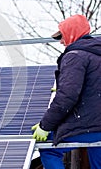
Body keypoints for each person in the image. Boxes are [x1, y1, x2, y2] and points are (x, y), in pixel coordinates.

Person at [31, 14, 101, 169]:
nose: (61, 42)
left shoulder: (74, 56)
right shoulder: (97, 54)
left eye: (62, 36)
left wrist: (45, 125)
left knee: (48, 150)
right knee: (97, 153)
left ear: (73, 33)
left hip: (88, 124)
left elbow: (67, 97)